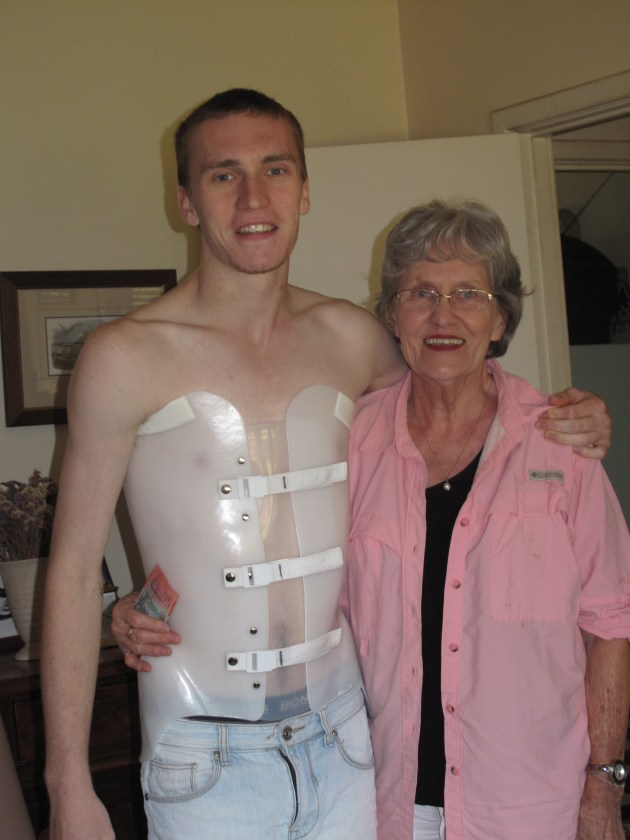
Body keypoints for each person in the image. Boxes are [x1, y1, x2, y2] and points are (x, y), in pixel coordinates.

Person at [49, 86, 610, 840]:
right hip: (202, 749)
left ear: (305, 190)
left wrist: (565, 418)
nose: (253, 197)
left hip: (348, 743)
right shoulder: (123, 358)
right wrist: (68, 783)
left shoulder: (353, 340)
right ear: (186, 202)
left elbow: (458, 395)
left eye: (275, 170)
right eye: (223, 174)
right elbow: (73, 572)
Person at [342, 199, 630, 839]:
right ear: (392, 315)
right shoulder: (351, 446)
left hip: (530, 808)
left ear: (500, 319)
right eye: (421, 293)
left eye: (468, 294)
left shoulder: (562, 444)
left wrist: (603, 789)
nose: (443, 316)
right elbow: (306, 598)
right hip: (387, 805)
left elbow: (611, 622)